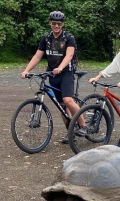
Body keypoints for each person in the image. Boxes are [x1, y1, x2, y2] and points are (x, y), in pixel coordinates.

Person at [21, 11, 87, 143]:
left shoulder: (68, 37)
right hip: (52, 74)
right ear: (50, 23)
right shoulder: (46, 39)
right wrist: (26, 70)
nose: (56, 26)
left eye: (59, 23)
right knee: (61, 105)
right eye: (54, 23)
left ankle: (83, 126)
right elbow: (38, 56)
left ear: (62, 24)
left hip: (66, 73)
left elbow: (69, 55)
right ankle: (70, 133)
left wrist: (61, 67)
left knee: (68, 100)